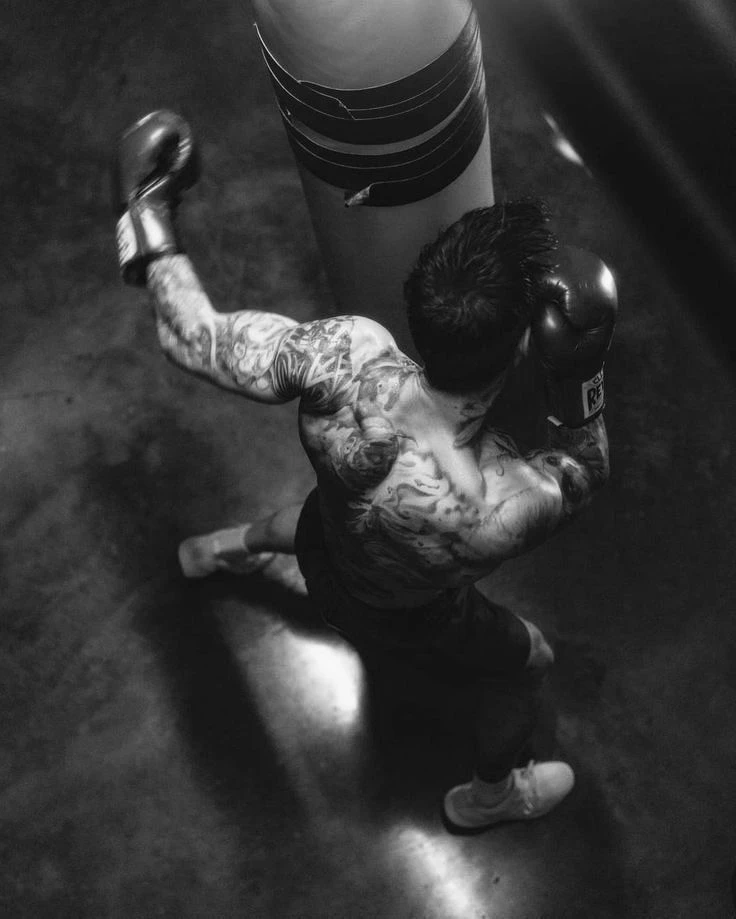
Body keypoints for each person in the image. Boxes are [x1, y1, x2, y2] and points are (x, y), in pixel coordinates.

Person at [114, 110, 617, 833]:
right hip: (406, 614)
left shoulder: (345, 354)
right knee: (527, 662)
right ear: (518, 350)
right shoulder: (495, 500)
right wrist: (580, 372)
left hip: (326, 544)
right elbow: (584, 468)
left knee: (305, 523)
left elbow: (193, 337)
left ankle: (220, 550)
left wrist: (145, 212)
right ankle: (489, 797)